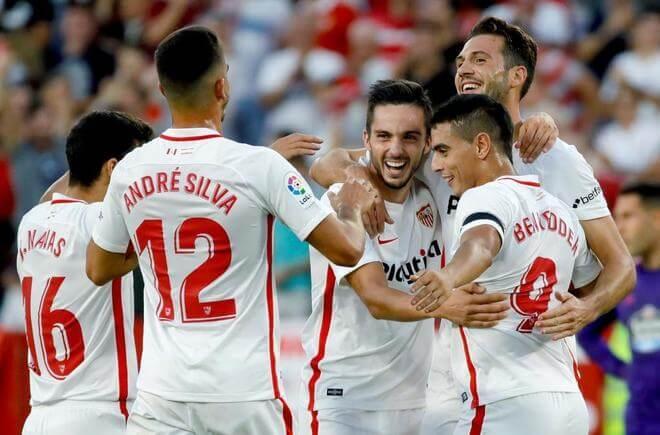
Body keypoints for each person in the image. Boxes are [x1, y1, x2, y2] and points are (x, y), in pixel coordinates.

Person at [310, 16, 635, 433]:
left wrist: (587, 308)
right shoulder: (438, 152)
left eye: (479, 59)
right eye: (461, 60)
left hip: (516, 377)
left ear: (517, 75)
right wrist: (356, 179)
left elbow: (618, 266)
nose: (463, 68)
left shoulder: (558, 160)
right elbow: (328, 163)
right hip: (454, 378)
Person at [85, 26, 375, 435]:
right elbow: (346, 250)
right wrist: (352, 204)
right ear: (222, 86)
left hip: (161, 394)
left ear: (163, 90)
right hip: (243, 393)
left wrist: (158, 246)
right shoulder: (257, 167)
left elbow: (99, 267)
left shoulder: (131, 169)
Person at [298, 80, 509, 435]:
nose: (395, 150)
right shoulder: (342, 200)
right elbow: (376, 298)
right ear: (366, 139)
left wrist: (541, 123)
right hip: (345, 402)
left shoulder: (433, 186)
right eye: (383, 136)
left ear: (428, 144)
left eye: (409, 137)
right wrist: (446, 306)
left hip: (416, 403)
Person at [412, 93, 600, 434]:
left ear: (481, 145)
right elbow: (592, 283)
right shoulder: (560, 211)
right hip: (568, 401)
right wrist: (588, 307)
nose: (436, 166)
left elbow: (481, 245)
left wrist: (448, 275)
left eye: (443, 150)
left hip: (505, 402)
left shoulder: (483, 196)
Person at [16, 111, 153, 435]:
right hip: (98, 416)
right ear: (114, 169)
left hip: (38, 417)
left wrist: (83, 151)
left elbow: (54, 196)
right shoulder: (101, 223)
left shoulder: (31, 222)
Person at [579, 183, 660, 435]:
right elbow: (587, 332)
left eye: (628, 216)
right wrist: (624, 369)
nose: (619, 227)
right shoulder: (626, 282)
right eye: (616, 217)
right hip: (639, 422)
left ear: (656, 218)